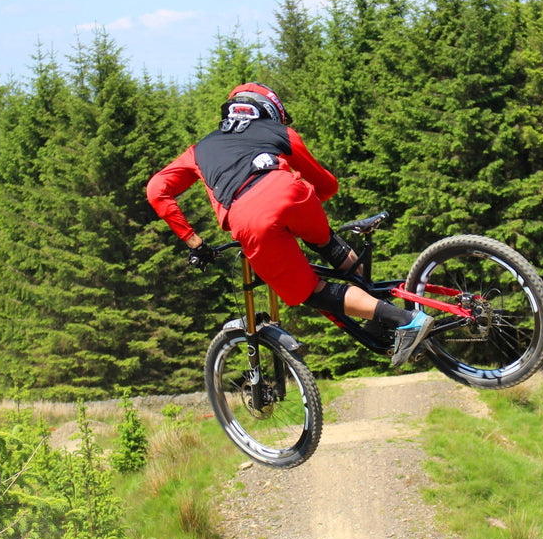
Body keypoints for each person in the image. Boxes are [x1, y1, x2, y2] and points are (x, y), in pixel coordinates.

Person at [146, 82, 434, 367]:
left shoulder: (199, 150)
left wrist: (195, 242)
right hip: (293, 192)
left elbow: (157, 190)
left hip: (250, 218)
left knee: (312, 291)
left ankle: (405, 320)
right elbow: (327, 185)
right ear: (270, 110)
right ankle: (383, 306)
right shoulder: (281, 132)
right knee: (326, 242)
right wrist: (299, 208)